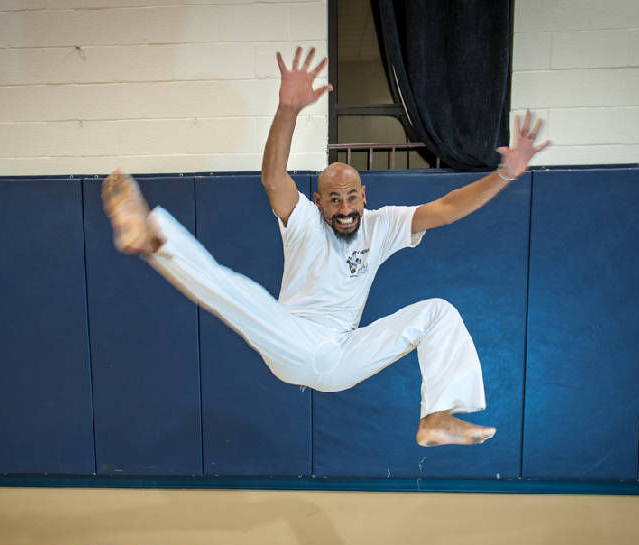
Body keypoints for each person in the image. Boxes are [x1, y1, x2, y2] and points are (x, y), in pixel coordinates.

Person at [102, 48, 549, 447]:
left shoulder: (383, 225)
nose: (345, 207)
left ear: (364, 196)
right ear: (318, 202)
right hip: (291, 340)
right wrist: (288, 111)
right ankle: (154, 238)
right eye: (333, 199)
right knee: (237, 292)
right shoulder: (302, 221)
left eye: (352, 196)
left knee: (439, 312)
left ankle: (436, 417)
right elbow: (273, 178)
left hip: (342, 358)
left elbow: (448, 208)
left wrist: (504, 175)